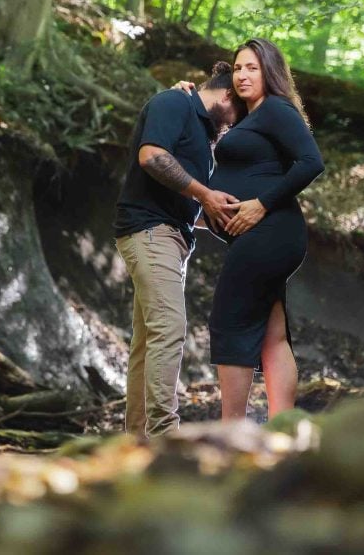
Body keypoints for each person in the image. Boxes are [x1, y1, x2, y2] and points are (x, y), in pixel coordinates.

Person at [175, 39, 325, 421]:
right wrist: (186, 96)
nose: (242, 75)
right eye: (238, 68)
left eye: (252, 68)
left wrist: (262, 204)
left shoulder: (275, 109)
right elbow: (202, 114)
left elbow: (311, 162)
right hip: (264, 235)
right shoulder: (246, 118)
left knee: (230, 321)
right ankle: (283, 428)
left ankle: (232, 432)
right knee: (272, 333)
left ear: (270, 72)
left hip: (272, 229)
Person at [114, 62, 243, 438]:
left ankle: (137, 439)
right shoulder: (174, 102)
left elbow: (190, 203)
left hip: (170, 237)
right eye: (237, 116)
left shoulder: (202, 136)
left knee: (147, 341)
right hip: (151, 232)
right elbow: (151, 157)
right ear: (227, 94)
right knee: (169, 329)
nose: (234, 126)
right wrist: (205, 193)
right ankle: (164, 437)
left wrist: (229, 215)